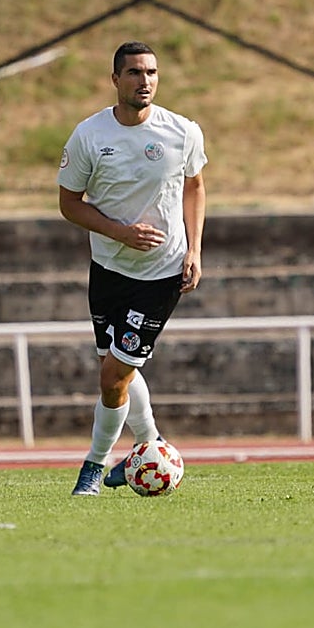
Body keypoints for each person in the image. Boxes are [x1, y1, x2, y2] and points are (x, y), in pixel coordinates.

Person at [58, 40, 208, 496]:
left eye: (152, 73)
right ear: (116, 79)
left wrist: (195, 249)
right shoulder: (89, 136)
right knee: (116, 366)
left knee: (112, 377)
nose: (145, 81)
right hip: (107, 268)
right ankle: (151, 445)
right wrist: (119, 233)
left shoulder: (182, 132)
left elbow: (195, 187)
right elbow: (68, 204)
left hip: (160, 274)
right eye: (135, 73)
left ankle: (93, 467)